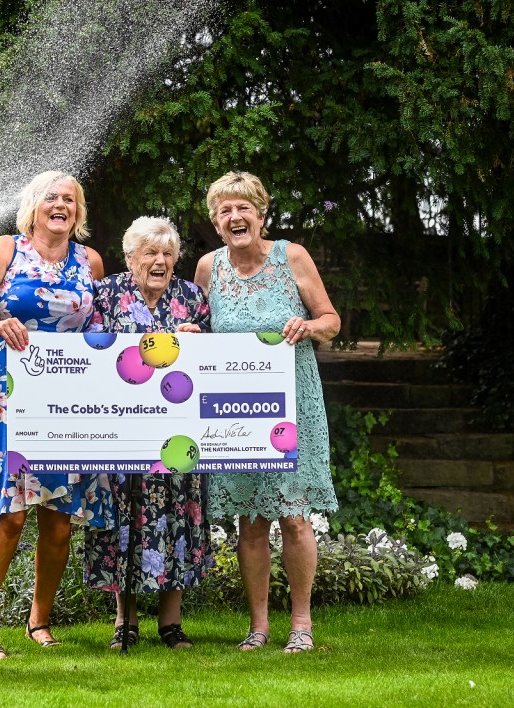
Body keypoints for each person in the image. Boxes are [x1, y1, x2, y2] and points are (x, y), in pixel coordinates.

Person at [0, 170, 114, 659]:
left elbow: (103, 326)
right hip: (8, 389)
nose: (61, 204)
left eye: (69, 199)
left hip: (68, 395)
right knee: (10, 514)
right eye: (52, 197)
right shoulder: (6, 248)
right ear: (34, 206)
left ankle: (39, 621)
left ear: (78, 211)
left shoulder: (89, 260)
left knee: (61, 517)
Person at [194, 171, 340, 653]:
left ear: (261, 213)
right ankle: (258, 628)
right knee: (250, 521)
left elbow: (332, 322)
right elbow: (195, 331)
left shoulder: (291, 257)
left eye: (244, 208)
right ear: (216, 222)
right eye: (225, 211)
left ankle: (301, 625)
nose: (236, 217)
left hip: (292, 403)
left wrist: (309, 325)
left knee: (295, 516)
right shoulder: (207, 269)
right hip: (232, 410)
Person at [83, 216, 212, 650]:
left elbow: (213, 365)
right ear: (131, 258)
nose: (160, 261)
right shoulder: (107, 294)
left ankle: (171, 623)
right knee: (125, 520)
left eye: (168, 254)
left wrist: (198, 344)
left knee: (176, 517)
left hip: (177, 435)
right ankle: (126, 621)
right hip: (122, 431)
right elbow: (90, 355)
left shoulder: (192, 297)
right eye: (151, 253)